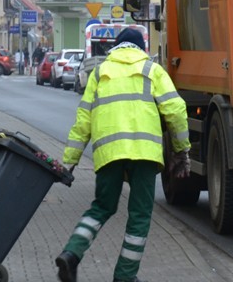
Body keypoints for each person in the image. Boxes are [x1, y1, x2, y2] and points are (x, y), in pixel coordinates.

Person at [56, 28, 191, 282]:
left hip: (109, 153)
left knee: (102, 207)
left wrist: (70, 160)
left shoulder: (99, 72)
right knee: (139, 217)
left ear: (117, 48)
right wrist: (182, 150)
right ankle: (124, 277)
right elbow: (176, 110)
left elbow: (83, 119)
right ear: (140, 48)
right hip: (145, 155)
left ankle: (71, 253)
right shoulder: (152, 70)